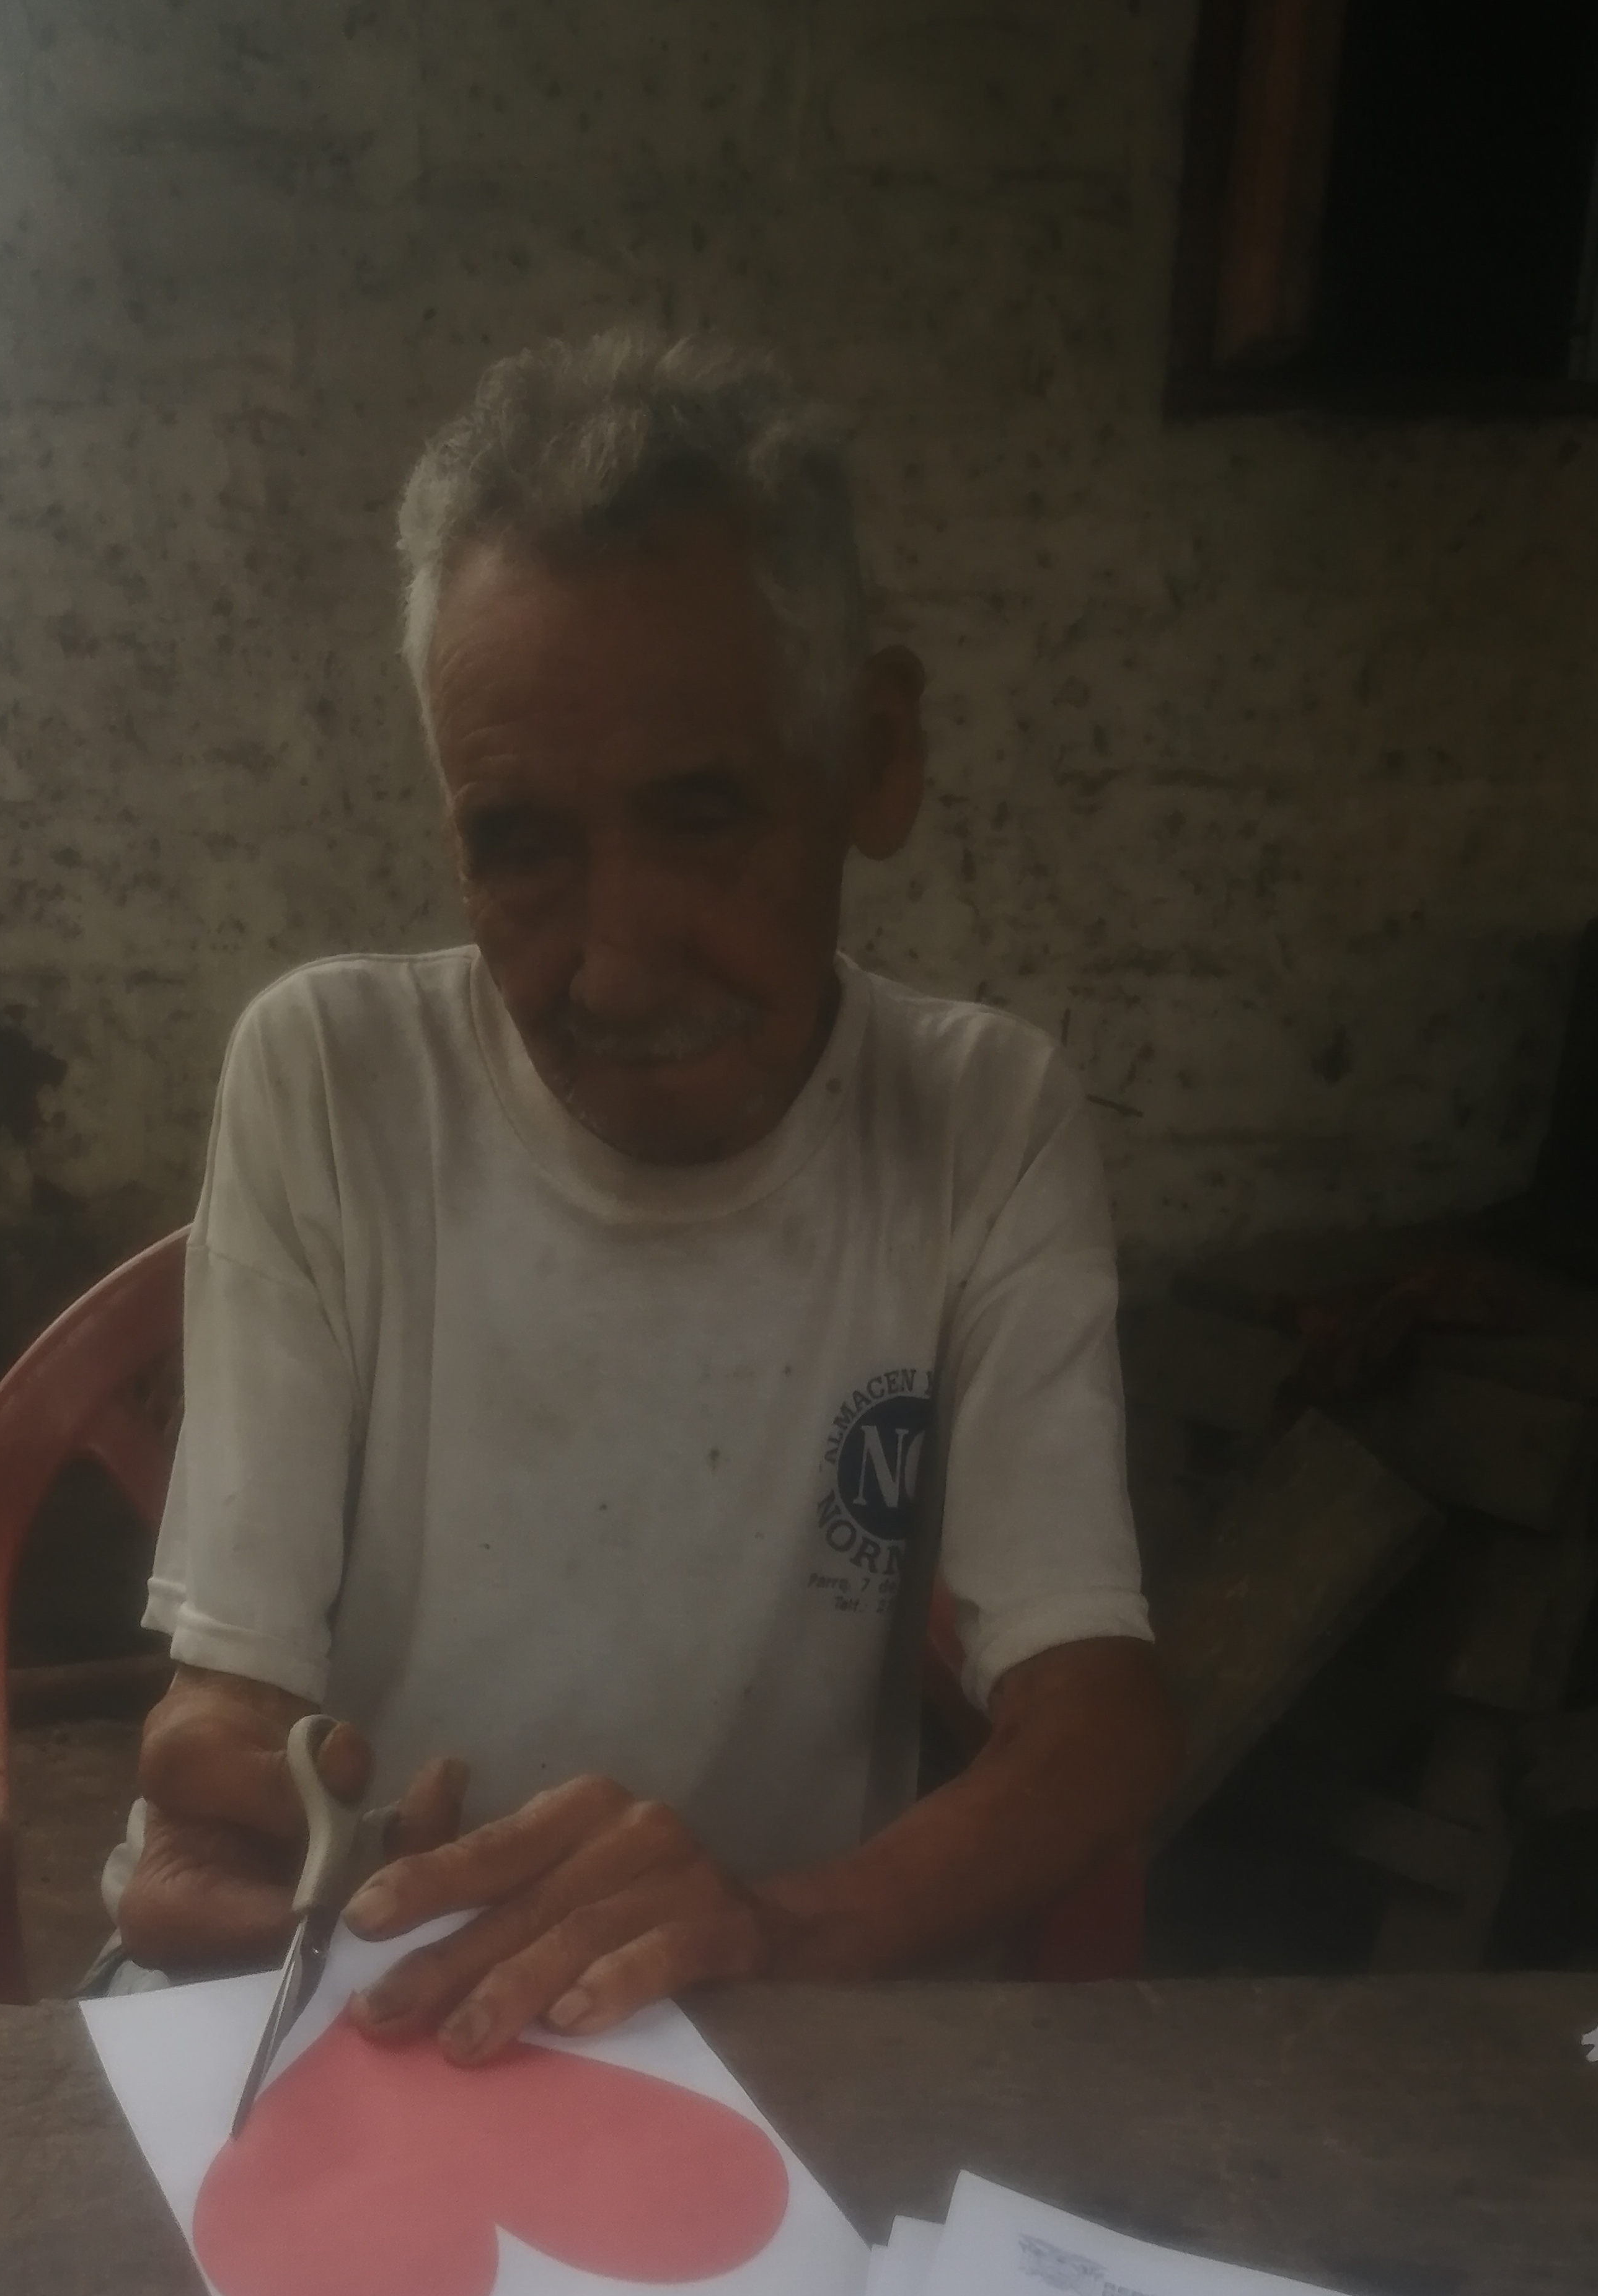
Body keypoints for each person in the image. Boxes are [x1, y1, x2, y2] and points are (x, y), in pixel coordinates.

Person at [112, 333, 1176, 2052]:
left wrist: (770, 1928)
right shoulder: (330, 1080)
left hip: (756, 2027)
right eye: (519, 846)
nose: (612, 963)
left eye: (701, 820)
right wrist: (242, 1806)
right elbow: (227, 1706)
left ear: (875, 756)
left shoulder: (980, 1122)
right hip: (390, 2007)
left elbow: (1097, 1725)